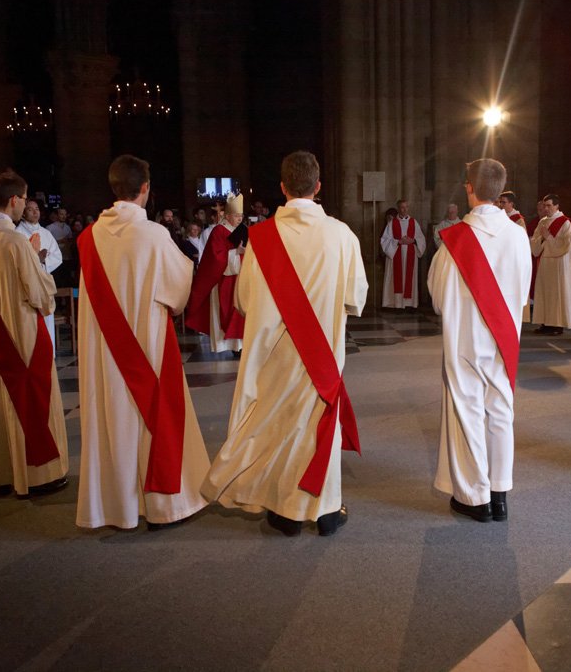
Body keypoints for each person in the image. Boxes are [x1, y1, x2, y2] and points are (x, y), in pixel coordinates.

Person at [203, 150, 367, 537]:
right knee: (317, 424)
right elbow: (356, 298)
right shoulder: (342, 235)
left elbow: (244, 300)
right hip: (323, 352)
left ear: (282, 187)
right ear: (318, 186)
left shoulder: (261, 238)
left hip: (276, 353)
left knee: (280, 427)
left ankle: (284, 511)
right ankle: (324, 509)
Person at [76, 155, 210, 530]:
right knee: (153, 412)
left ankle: (115, 504)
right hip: (146, 341)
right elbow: (178, 291)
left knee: (111, 414)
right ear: (146, 189)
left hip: (104, 346)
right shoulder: (153, 234)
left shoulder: (88, 238)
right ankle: (164, 504)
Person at [428, 159, 530, 522]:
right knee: (500, 410)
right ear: (500, 190)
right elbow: (522, 292)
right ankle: (500, 493)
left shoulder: (454, 239)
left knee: (467, 409)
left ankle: (475, 498)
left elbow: (438, 297)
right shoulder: (518, 234)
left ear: (468, 188)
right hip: (505, 335)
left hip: (465, 336)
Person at [0, 169, 68, 497]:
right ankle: (38, 475)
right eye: (24, 198)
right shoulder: (14, 242)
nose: (25, 205)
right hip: (20, 337)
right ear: (14, 200)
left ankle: (2, 472)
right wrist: (36, 259)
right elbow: (41, 295)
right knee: (30, 398)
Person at [185, 194, 245, 353]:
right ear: (228, 215)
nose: (239, 219)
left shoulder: (240, 230)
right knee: (225, 312)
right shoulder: (218, 231)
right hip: (222, 280)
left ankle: (240, 346)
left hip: (239, 279)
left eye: (241, 216)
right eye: (236, 216)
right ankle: (229, 346)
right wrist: (236, 252)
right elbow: (216, 258)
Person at [16, 199, 62, 347]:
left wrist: (43, 262)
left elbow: (57, 256)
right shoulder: (18, 234)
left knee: (47, 323)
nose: (35, 212)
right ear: (23, 213)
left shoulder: (46, 233)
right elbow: (18, 260)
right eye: (30, 209)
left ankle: (49, 355)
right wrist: (36, 258)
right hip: (27, 285)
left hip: (44, 282)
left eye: (37, 209)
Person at [530, 194, 571, 335]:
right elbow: (535, 242)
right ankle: (545, 322)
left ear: (556, 206)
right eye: (544, 205)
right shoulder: (542, 221)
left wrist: (548, 237)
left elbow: (565, 245)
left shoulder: (564, 222)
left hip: (559, 263)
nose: (546, 208)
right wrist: (543, 238)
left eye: (549, 205)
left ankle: (557, 325)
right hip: (545, 261)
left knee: (556, 293)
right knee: (544, 291)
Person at [381, 199, 426, 309]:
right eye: (402, 207)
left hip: (410, 256)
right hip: (396, 255)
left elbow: (421, 239)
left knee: (409, 279)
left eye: (406, 207)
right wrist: (398, 242)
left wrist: (413, 241)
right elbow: (385, 240)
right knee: (396, 280)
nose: (405, 209)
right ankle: (396, 304)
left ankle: (409, 304)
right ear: (398, 209)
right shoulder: (392, 223)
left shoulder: (413, 222)